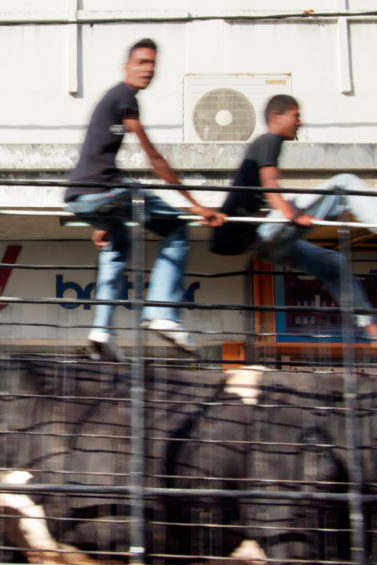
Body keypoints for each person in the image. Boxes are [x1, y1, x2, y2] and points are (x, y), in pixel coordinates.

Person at [211, 94, 377, 356]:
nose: (300, 122)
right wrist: (293, 214)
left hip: (264, 244)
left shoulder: (264, 144)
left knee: (334, 265)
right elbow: (270, 185)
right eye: (295, 115)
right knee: (345, 184)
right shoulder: (268, 141)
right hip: (264, 231)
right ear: (277, 117)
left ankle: (376, 333)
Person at [65, 38, 225, 361]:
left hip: (82, 194)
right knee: (177, 228)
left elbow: (97, 154)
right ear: (127, 66)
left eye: (153, 64)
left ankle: (101, 331)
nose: (148, 70)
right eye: (142, 63)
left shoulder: (114, 97)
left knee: (116, 243)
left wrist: (104, 218)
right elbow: (152, 154)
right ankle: (163, 311)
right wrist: (194, 203)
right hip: (104, 190)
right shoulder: (124, 96)